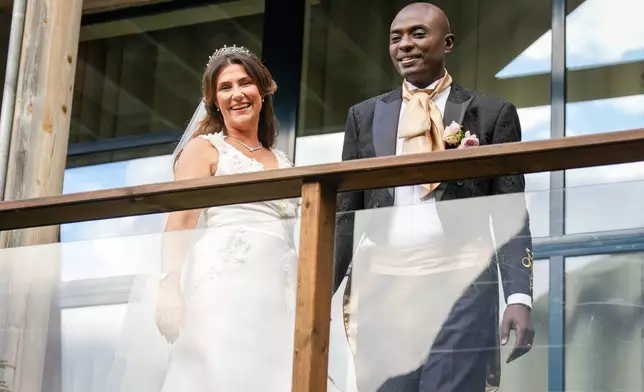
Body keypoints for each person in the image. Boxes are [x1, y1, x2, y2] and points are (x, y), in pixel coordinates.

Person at [333, 3, 534, 392]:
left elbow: (511, 211)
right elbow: (346, 215)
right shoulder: (363, 116)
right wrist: (317, 290)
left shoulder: (491, 114)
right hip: (383, 289)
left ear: (448, 43)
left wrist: (519, 295)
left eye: (418, 34)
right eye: (396, 38)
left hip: (462, 282)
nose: (405, 45)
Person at [105, 46, 301, 392]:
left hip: (276, 298)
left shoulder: (283, 160)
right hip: (223, 291)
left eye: (245, 83)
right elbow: (180, 221)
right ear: (214, 100)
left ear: (262, 90)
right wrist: (169, 288)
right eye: (225, 87)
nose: (237, 94)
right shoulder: (205, 150)